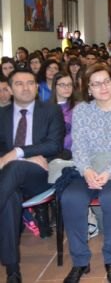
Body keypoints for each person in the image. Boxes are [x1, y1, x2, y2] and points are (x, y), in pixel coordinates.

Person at [60, 64, 111, 283]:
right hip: (88, 167)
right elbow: (79, 147)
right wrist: (86, 170)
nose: (102, 87)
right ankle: (80, 261)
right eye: (95, 84)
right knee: (71, 198)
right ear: (88, 88)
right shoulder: (82, 111)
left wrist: (107, 172)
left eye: (106, 81)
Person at [0, 68, 63, 283]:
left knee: (14, 167)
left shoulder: (51, 111)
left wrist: (18, 153)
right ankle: (12, 270)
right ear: (9, 89)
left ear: (37, 87)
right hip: (8, 183)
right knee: (9, 200)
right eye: (19, 83)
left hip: (41, 176)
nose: (25, 87)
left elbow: (54, 145)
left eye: (30, 83)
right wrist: (24, 158)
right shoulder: (2, 115)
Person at [50, 71, 76, 159]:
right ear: (55, 86)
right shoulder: (45, 109)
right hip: (52, 152)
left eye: (69, 84)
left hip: (73, 152)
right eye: (62, 85)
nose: (67, 88)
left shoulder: (78, 108)